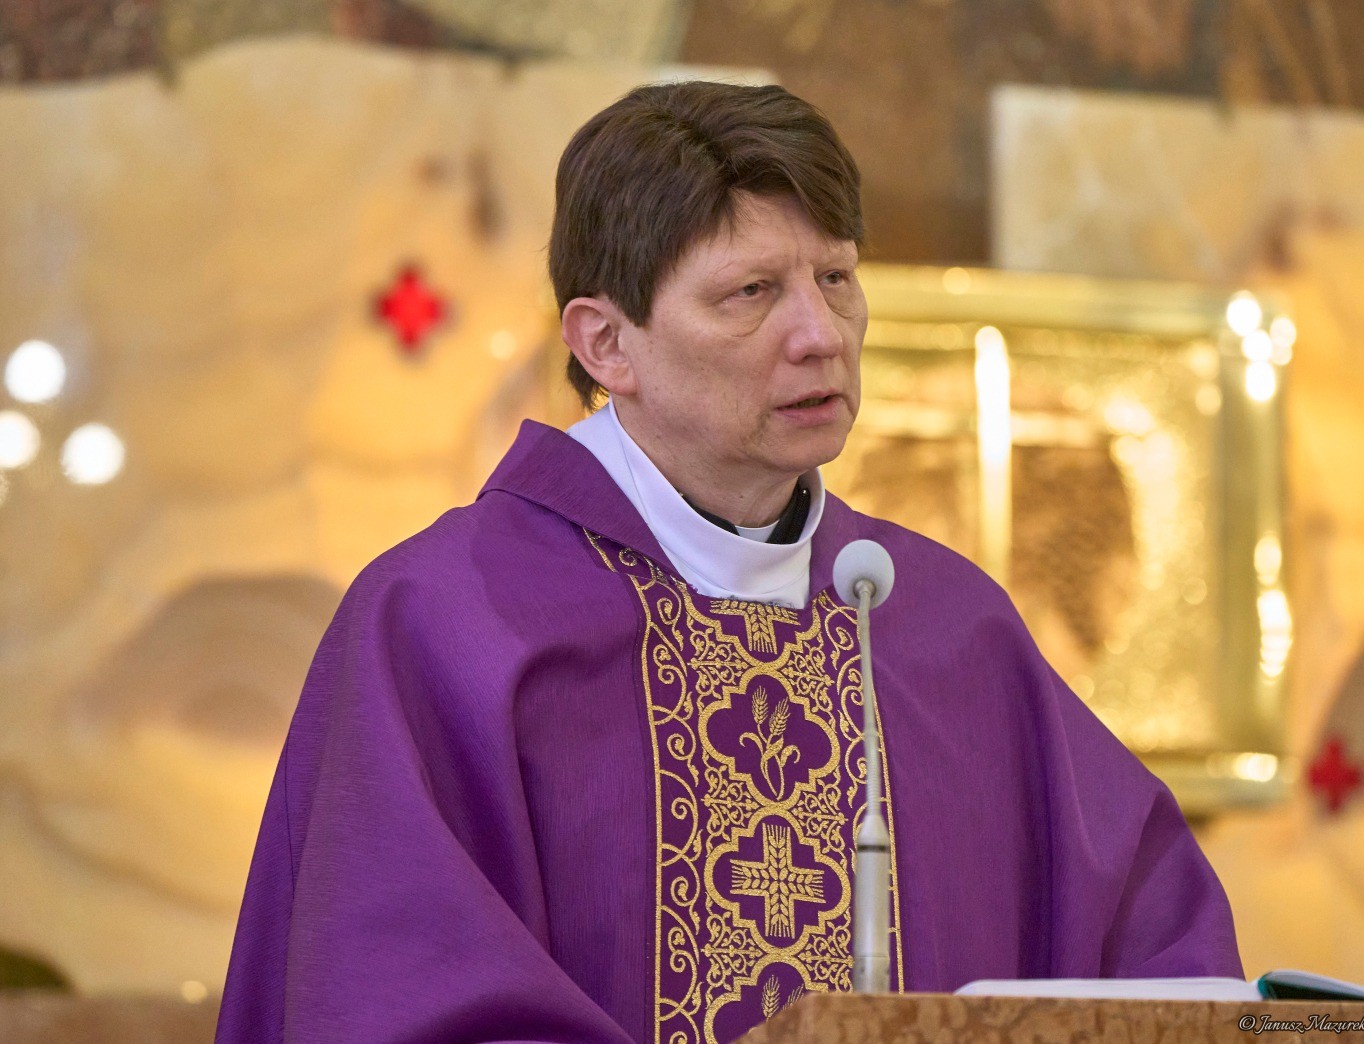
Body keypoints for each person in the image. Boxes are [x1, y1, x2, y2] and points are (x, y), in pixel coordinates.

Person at [216, 81, 1242, 1044]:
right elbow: (392, 993)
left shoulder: (945, 626)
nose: (820, 335)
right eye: (751, 292)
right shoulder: (446, 623)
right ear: (606, 344)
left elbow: (1157, 946)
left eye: (836, 279)